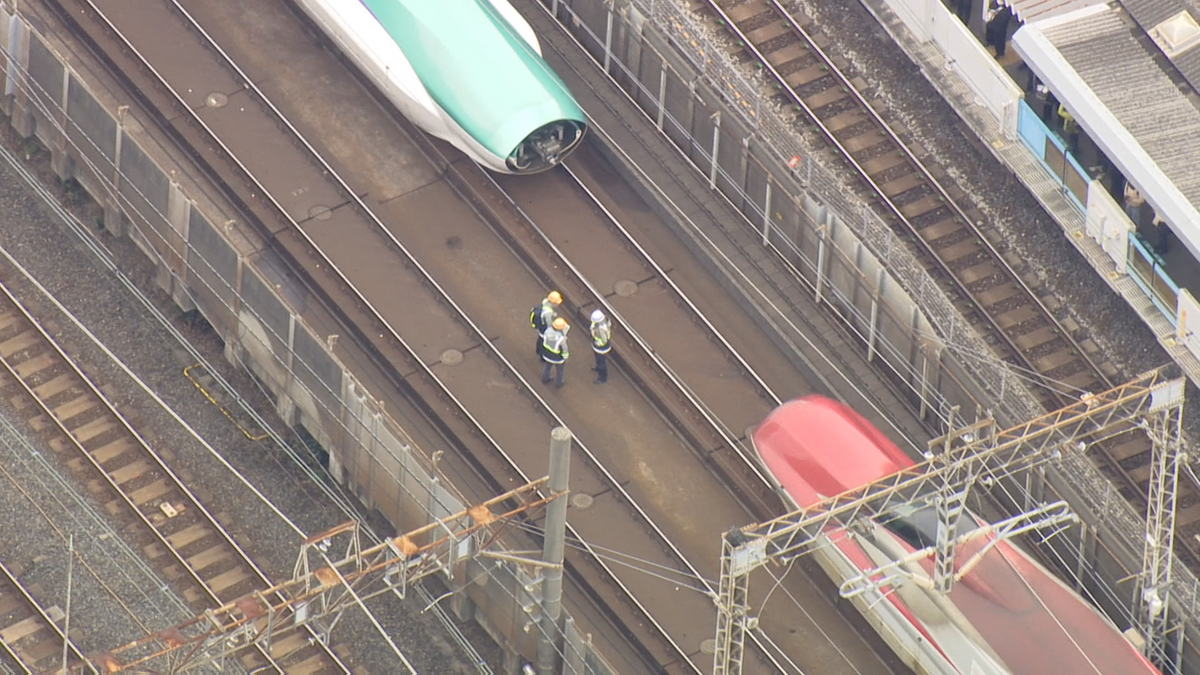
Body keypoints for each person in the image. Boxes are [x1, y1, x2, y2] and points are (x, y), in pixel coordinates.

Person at [529, 291, 562, 357]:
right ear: (553, 302)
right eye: (556, 303)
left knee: (540, 338)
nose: (558, 304)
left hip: (540, 325)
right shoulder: (548, 313)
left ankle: (538, 350)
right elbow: (549, 324)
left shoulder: (545, 302)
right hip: (544, 328)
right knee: (543, 340)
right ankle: (542, 354)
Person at [540, 317, 570, 388]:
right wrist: (565, 357)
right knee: (560, 371)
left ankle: (545, 379)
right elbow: (564, 348)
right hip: (558, 358)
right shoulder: (561, 338)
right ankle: (559, 383)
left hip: (547, 354)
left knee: (547, 367)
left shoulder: (547, 331)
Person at [589, 309, 612, 384]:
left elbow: (604, 340)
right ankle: (598, 367)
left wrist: (595, 338)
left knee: (602, 362)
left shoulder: (601, 328)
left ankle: (602, 377)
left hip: (601, 347)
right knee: (598, 359)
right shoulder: (604, 320)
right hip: (598, 346)